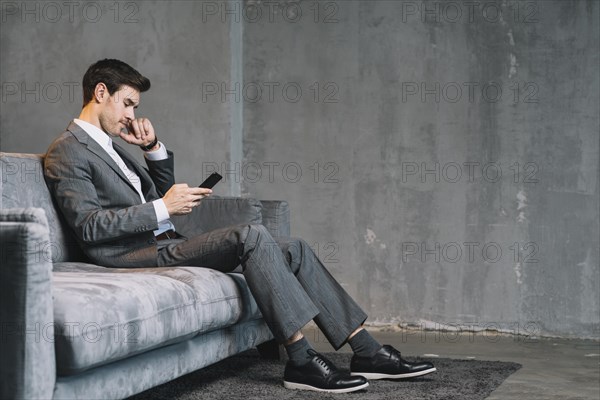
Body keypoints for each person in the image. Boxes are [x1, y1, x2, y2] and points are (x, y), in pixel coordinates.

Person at [44, 59, 436, 393]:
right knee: (251, 234)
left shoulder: (112, 147)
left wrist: (151, 150)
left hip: (164, 241)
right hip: (126, 255)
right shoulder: (68, 150)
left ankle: (366, 350)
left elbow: (161, 203)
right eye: (127, 104)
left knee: (293, 247)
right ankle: (300, 358)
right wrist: (162, 208)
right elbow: (90, 227)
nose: (132, 114)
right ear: (100, 93)